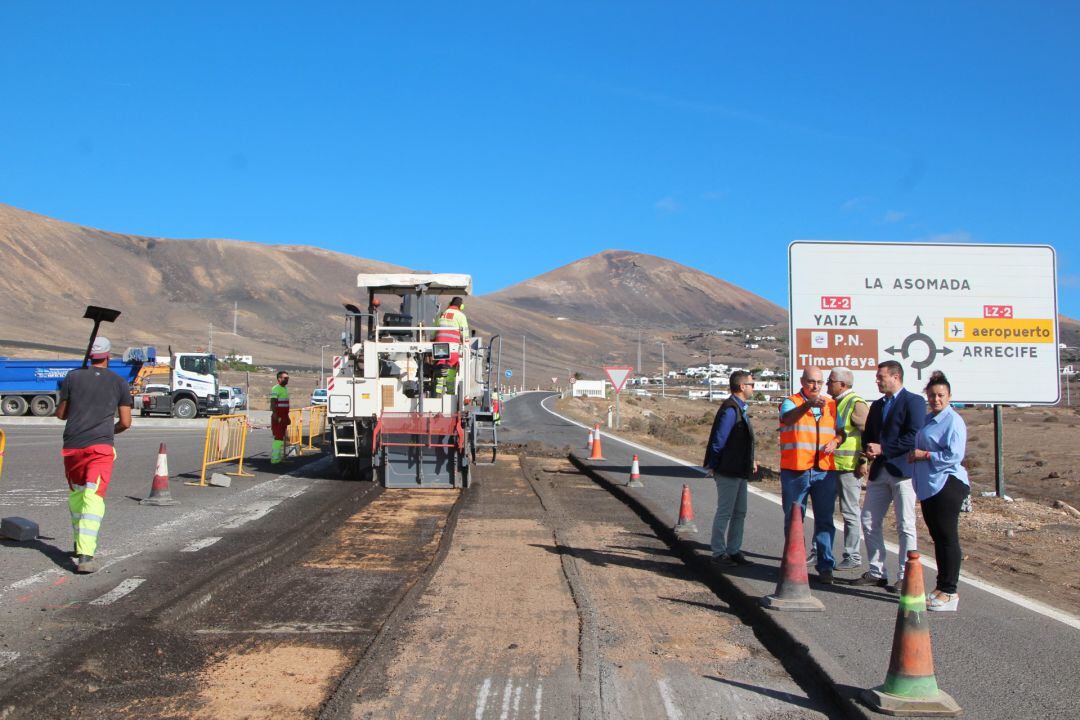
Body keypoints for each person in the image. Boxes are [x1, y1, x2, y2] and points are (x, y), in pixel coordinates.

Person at [54, 337, 132, 573]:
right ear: (108, 356)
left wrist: (72, 393)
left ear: (90, 356)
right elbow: (126, 422)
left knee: (78, 496)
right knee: (93, 496)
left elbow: (61, 414)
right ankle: (86, 555)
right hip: (100, 448)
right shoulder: (119, 382)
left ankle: (80, 544)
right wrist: (110, 430)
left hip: (73, 446)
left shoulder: (73, 377)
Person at [851, 360, 926, 591]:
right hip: (880, 471)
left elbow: (914, 435)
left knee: (905, 524)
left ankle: (905, 575)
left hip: (903, 471)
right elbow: (869, 435)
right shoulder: (878, 406)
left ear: (895, 377)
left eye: (881, 376)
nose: (877, 380)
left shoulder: (913, 402)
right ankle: (876, 571)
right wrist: (868, 452)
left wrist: (884, 448)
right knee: (869, 520)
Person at [908, 371, 969, 611]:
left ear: (949, 396)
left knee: (947, 537)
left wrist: (926, 455)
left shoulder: (953, 421)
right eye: (932, 395)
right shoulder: (927, 419)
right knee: (938, 538)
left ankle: (950, 591)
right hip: (929, 485)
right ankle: (940, 587)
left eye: (941, 395)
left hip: (947, 482)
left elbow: (954, 455)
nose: (936, 399)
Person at [778, 366, 843, 584]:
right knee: (794, 518)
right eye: (811, 382)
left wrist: (836, 440)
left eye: (819, 382)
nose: (815, 386)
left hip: (823, 470)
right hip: (796, 470)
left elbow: (840, 431)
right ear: (802, 381)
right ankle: (793, 562)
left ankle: (826, 565)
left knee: (825, 519)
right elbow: (787, 419)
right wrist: (807, 405)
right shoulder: (791, 402)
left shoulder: (832, 405)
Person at [703, 370, 757, 567]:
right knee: (725, 511)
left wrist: (751, 459)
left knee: (740, 511)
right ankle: (718, 552)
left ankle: (734, 550)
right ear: (742, 386)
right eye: (751, 384)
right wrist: (714, 465)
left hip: (739, 469)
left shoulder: (739, 408)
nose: (753, 388)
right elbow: (720, 440)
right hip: (728, 469)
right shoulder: (730, 409)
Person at [824, 367, 869, 571]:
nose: (827, 384)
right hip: (831, 466)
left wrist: (863, 461)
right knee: (825, 511)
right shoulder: (834, 402)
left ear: (842, 384)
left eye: (830, 381)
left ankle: (853, 555)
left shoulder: (855, 403)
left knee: (850, 512)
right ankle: (822, 553)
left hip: (849, 468)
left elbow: (867, 434)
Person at [433, 296, 469, 395]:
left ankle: (438, 390)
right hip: (453, 346)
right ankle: (450, 391)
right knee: (452, 367)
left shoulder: (441, 314)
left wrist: (432, 339)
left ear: (450, 303)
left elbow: (433, 331)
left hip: (440, 346)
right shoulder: (460, 316)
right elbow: (465, 333)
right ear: (461, 306)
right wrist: (466, 343)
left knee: (441, 364)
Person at [269, 371, 290, 464]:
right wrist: (275, 414)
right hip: (279, 416)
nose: (287, 379)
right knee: (278, 437)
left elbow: (285, 404)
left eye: (288, 378)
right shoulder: (276, 388)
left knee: (281, 437)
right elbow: (273, 402)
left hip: (284, 416)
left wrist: (287, 417)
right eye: (285, 378)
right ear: (279, 379)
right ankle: (275, 459)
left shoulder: (285, 388)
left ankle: (279, 457)